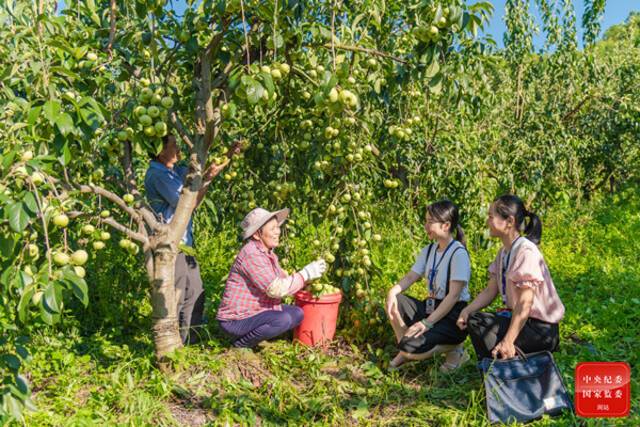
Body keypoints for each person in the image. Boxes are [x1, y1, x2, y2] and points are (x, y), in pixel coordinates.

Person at [144, 134, 231, 344]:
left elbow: (204, 170)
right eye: (173, 145)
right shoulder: (158, 174)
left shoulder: (174, 171)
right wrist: (208, 180)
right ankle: (175, 343)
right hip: (172, 243)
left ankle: (192, 339)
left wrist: (229, 153)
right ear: (160, 149)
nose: (178, 148)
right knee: (179, 293)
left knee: (196, 290)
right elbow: (189, 204)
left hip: (185, 243)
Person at [456, 195, 565, 360]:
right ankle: (497, 368)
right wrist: (466, 310)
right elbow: (490, 291)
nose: (487, 221)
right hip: (523, 321)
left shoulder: (526, 252)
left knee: (479, 322)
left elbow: (524, 303)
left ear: (509, 221)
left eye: (491, 217)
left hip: (540, 330)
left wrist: (508, 340)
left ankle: (505, 365)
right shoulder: (503, 253)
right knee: (474, 319)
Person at [216, 207, 328, 348]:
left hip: (257, 311)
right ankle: (241, 345)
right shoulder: (252, 254)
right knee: (283, 320)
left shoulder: (268, 254)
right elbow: (276, 289)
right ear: (257, 234)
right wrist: (305, 274)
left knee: (297, 313)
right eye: (272, 228)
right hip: (235, 320)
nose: (278, 232)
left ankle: (257, 337)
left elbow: (283, 280)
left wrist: (307, 279)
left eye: (277, 227)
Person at [386, 200, 472, 371]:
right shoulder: (429, 250)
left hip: (452, 316)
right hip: (431, 307)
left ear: (446, 225)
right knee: (397, 300)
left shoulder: (458, 254)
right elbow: (411, 276)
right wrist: (392, 292)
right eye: (426, 221)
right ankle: (406, 348)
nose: (425, 226)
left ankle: (455, 349)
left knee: (413, 350)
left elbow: (453, 296)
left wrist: (426, 324)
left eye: (430, 222)